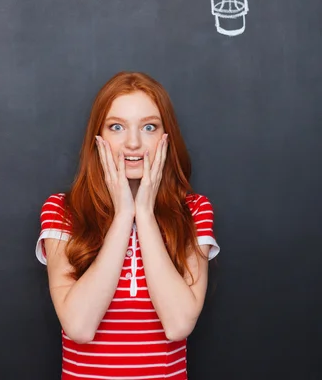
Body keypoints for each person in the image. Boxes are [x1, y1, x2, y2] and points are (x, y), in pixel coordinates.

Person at [36, 71, 220, 380]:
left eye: (149, 127)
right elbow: (79, 326)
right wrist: (123, 215)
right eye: (117, 127)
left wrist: (144, 214)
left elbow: (178, 324)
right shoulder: (63, 210)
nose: (133, 143)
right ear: (98, 137)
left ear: (166, 137)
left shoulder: (194, 211)